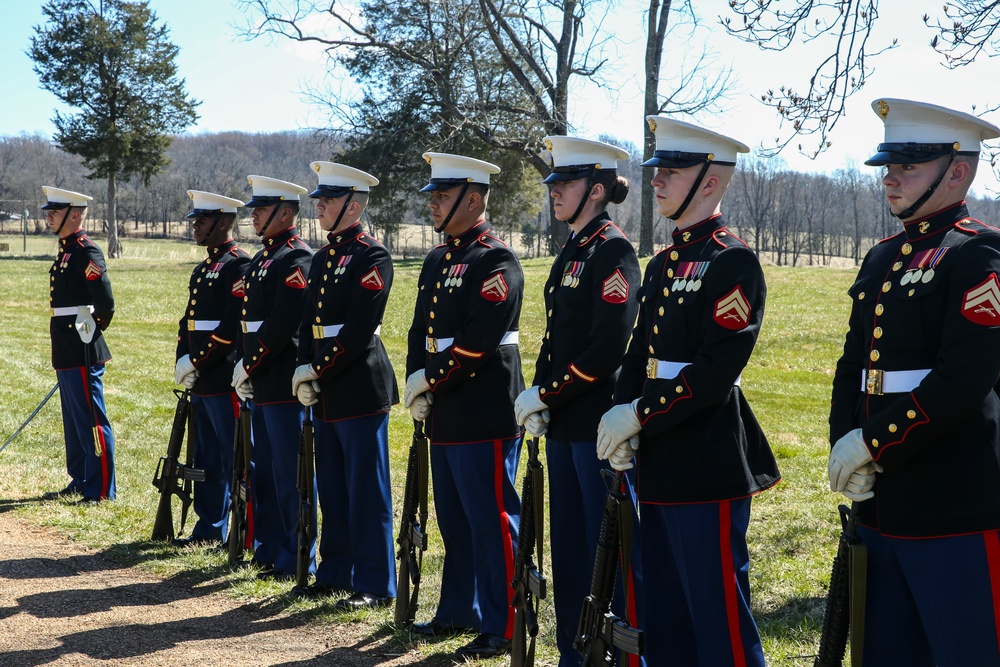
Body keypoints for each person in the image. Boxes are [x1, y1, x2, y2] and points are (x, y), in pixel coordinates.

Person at [595, 116, 780, 666]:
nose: (657, 179)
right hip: (655, 458)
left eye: (672, 170)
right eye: (658, 169)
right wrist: (619, 414)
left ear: (709, 181)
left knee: (716, 611)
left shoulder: (733, 261)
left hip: (704, 456)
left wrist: (639, 417)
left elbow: (712, 373)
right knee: (664, 611)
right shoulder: (664, 263)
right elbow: (638, 356)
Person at [828, 98, 1000, 665]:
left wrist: (872, 443)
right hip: (882, 502)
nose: (891, 178)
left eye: (909, 165)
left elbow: (963, 378)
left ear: (958, 171)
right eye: (889, 165)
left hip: (953, 499)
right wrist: (843, 443)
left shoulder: (978, 253)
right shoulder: (882, 257)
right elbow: (854, 366)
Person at [512, 136, 643, 667]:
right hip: (566, 421)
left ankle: (603, 654)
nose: (554, 193)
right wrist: (544, 399)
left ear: (594, 190)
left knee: (599, 549)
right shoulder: (575, 247)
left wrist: (547, 392)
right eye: (553, 185)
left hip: (595, 422)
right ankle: (574, 651)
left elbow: (608, 345)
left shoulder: (613, 250)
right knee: (567, 549)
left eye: (563, 185)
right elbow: (557, 337)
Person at [403, 152, 523, 659]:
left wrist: (428, 381)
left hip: (482, 407)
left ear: (473, 200)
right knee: (453, 519)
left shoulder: (495, 260)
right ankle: (458, 609)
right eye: (432, 195)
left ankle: (504, 622)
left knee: (490, 520)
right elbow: (419, 329)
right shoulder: (438, 258)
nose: (432, 204)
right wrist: (415, 376)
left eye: (442, 196)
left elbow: (478, 342)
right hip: (447, 409)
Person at [290, 161, 398, 609]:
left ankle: (375, 583)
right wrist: (302, 366)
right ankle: (335, 571)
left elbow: (358, 329)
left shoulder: (373, 256)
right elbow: (307, 323)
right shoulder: (323, 257)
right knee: (332, 485)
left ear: (352, 206)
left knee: (365, 489)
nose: (319, 207)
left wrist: (317, 370)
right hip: (326, 383)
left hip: (357, 382)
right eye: (319, 199)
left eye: (328, 200)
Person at [231, 175, 315, 581]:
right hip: (262, 380)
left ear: (285, 212)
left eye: (261, 210)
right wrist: (245, 363)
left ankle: (292, 554)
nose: (254, 216)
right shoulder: (264, 259)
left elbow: (284, 324)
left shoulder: (296, 259)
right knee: (263, 469)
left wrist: (250, 363)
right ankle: (267, 547)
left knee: (287, 473)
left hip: (280, 379)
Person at [173, 190, 251, 547]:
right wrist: (181, 358)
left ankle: (244, 530)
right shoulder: (205, 267)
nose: (195, 226)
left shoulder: (238, 264)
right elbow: (188, 321)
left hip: (222, 376)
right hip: (202, 379)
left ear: (223, 222)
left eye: (201, 220)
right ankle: (208, 527)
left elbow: (230, 327)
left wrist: (197, 360)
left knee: (234, 456)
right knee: (205, 458)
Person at [41, 186, 116, 504]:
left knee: (91, 418)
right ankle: (81, 478)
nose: (48, 218)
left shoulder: (86, 251)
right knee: (73, 419)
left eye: (54, 213)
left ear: (74, 215)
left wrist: (89, 332)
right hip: (66, 344)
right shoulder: (66, 249)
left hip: (82, 345)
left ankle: (100, 488)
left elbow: (106, 303)